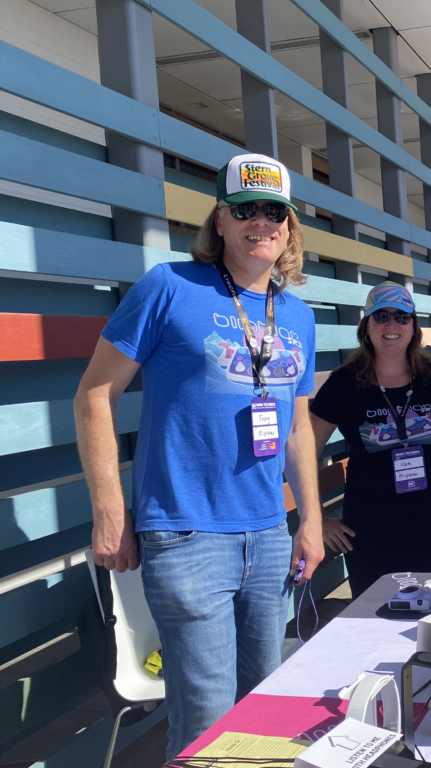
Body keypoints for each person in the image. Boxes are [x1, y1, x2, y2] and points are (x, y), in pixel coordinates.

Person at [74, 153, 324, 760]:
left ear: (289, 227)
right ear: (220, 220)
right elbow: (93, 396)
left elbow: (296, 428)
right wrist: (110, 512)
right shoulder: (169, 286)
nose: (259, 222)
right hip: (186, 537)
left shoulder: (298, 315)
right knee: (207, 721)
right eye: (245, 210)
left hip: (266, 536)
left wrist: (310, 519)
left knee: (262, 708)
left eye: (274, 212)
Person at [309, 282, 431, 596]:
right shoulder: (344, 383)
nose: (392, 325)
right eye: (381, 316)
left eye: (402, 316)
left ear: (414, 327)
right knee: (376, 619)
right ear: (366, 327)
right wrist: (316, 516)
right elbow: (304, 449)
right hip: (371, 527)